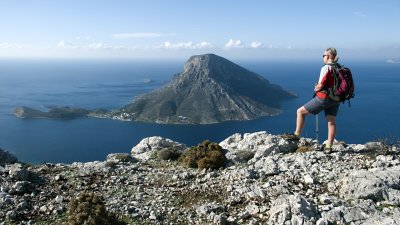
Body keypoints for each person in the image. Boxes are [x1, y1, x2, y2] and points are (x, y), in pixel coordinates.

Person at [286, 47, 341, 153]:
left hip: (324, 98)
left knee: (300, 112)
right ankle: (329, 147)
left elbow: (320, 85)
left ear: (328, 56)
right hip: (336, 99)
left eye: (323, 55)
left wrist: (316, 88)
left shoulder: (326, 68)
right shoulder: (339, 67)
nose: (323, 57)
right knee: (331, 123)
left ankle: (297, 135)